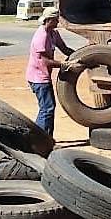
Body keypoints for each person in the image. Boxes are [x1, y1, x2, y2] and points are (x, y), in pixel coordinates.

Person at [25, 7, 78, 137]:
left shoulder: (53, 33)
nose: (58, 23)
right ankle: (39, 138)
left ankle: (45, 138)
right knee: (47, 108)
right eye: (56, 20)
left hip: (44, 76)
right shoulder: (41, 37)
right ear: (48, 20)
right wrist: (64, 64)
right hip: (38, 78)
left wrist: (80, 56)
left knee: (48, 108)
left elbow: (64, 49)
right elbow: (45, 61)